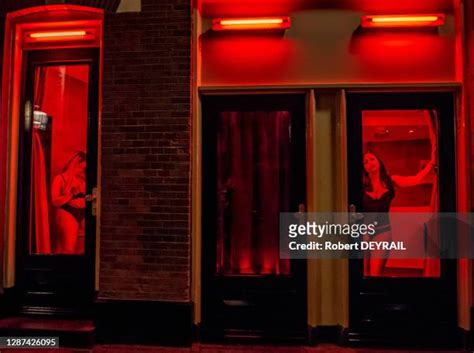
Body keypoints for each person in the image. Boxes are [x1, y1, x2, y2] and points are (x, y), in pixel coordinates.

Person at [362, 120, 437, 276]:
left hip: (383, 232)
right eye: (365, 162)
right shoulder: (360, 186)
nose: (369, 163)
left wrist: (431, 165)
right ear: (363, 168)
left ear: (379, 163)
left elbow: (415, 180)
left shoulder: (391, 180)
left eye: (372, 159)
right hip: (361, 232)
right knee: (362, 273)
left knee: (375, 273)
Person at [51, 151, 86, 254]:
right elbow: (54, 201)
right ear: (73, 165)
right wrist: (72, 194)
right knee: (68, 249)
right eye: (80, 168)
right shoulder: (60, 179)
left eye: (84, 169)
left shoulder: (83, 179)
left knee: (82, 250)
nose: (82, 172)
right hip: (67, 211)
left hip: (83, 211)